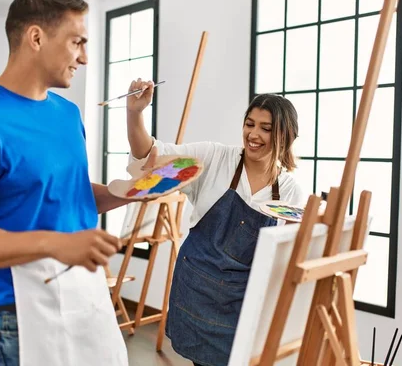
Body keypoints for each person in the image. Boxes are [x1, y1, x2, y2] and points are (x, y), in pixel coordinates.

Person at [0, 0, 140, 366]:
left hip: (84, 295)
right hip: (17, 316)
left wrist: (125, 192)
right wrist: (53, 243)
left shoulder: (66, 114)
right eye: (77, 42)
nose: (85, 57)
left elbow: (64, 195)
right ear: (36, 37)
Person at [126, 79, 306, 366]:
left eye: (266, 128)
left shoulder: (290, 191)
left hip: (242, 303)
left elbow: (286, 260)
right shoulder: (215, 158)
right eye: (250, 124)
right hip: (197, 292)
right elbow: (150, 154)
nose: (253, 134)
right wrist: (135, 113)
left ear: (287, 136)